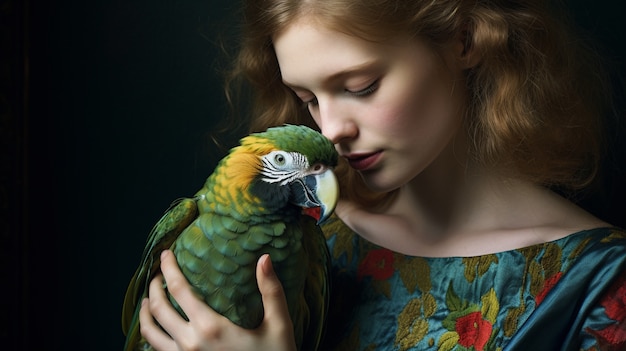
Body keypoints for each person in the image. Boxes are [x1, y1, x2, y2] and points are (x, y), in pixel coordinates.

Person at [137, 0, 626, 350]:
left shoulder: (595, 286)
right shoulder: (292, 233)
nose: (331, 130)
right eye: (308, 99)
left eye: (360, 86)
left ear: (465, 39)